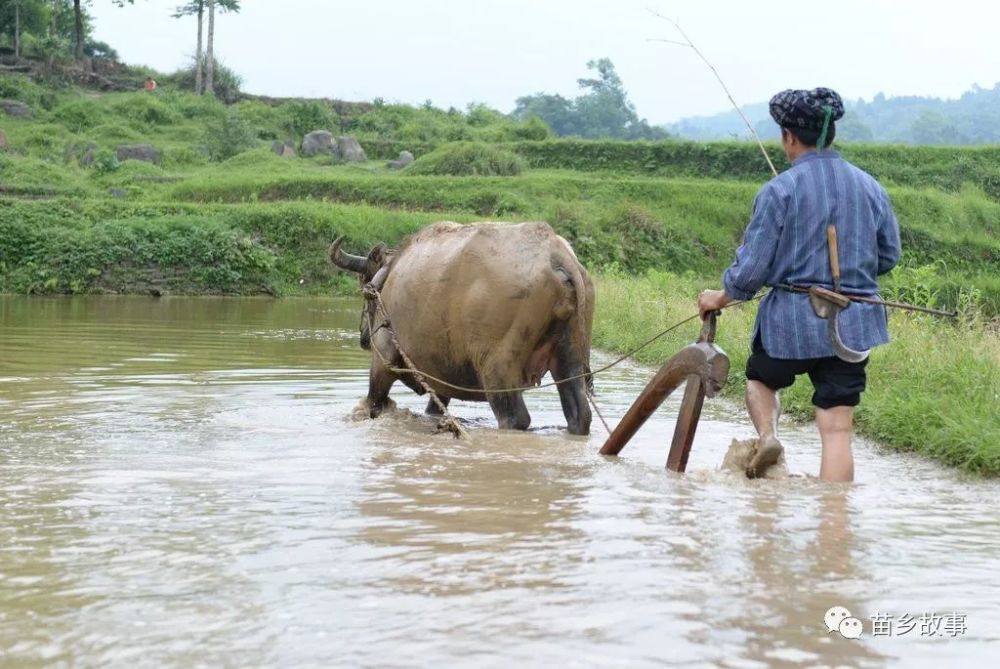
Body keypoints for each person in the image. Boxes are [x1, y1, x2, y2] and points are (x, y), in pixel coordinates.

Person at [697, 87, 901, 483]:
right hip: (852, 325)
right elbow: (888, 256)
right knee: (838, 429)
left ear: (788, 136)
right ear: (833, 136)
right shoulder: (870, 187)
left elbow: (750, 273)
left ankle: (769, 435)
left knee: (761, 378)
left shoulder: (779, 190)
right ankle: (835, 527)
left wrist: (718, 296)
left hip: (788, 327)